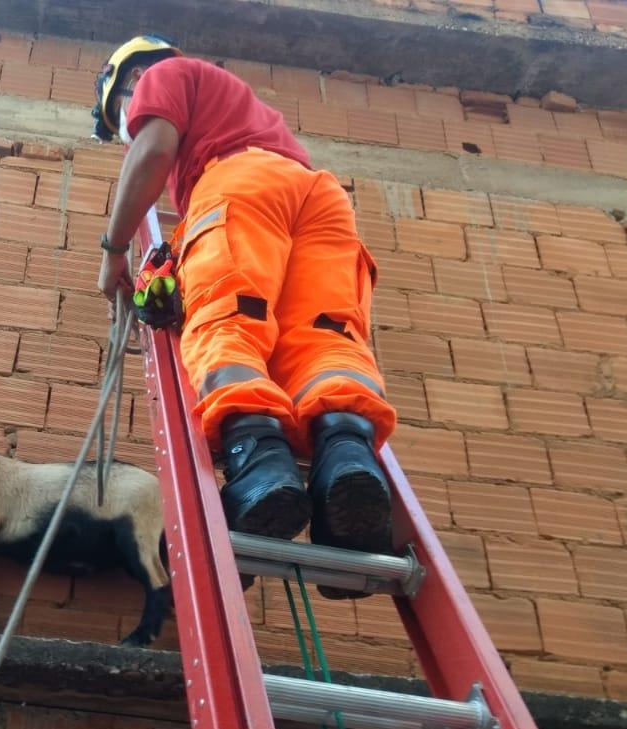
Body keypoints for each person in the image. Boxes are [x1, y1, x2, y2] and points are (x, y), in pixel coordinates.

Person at [92, 35, 398, 596]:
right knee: (325, 339)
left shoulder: (162, 78)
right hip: (321, 200)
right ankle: (347, 462)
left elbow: (155, 149)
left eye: (122, 117)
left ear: (129, 81)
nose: (129, 123)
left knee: (226, 321)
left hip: (239, 187)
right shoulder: (241, 105)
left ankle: (259, 467)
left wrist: (114, 250)